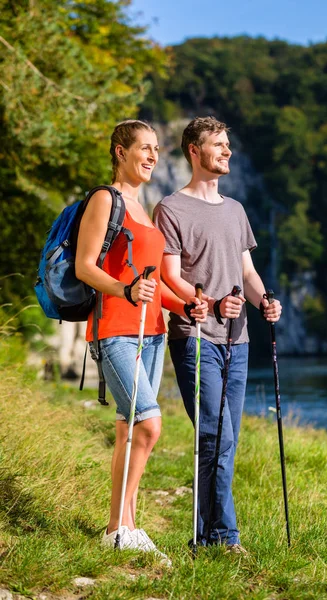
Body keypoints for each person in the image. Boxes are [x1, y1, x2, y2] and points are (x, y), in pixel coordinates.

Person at [75, 119, 207, 558]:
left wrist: (184, 306)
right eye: (144, 148)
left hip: (151, 333)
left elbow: (155, 284)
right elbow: (85, 266)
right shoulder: (104, 199)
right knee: (148, 425)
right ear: (120, 152)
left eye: (156, 149)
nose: (153, 156)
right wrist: (125, 290)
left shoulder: (143, 205)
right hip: (114, 330)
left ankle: (125, 525)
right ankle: (117, 527)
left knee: (129, 431)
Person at [153, 116, 282, 552]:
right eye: (219, 145)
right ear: (194, 150)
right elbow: (171, 276)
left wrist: (264, 300)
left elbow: (246, 272)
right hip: (195, 337)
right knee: (216, 436)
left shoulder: (235, 210)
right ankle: (225, 538)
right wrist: (204, 301)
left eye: (228, 145)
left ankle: (206, 539)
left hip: (238, 340)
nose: (227, 152)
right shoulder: (170, 208)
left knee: (225, 441)